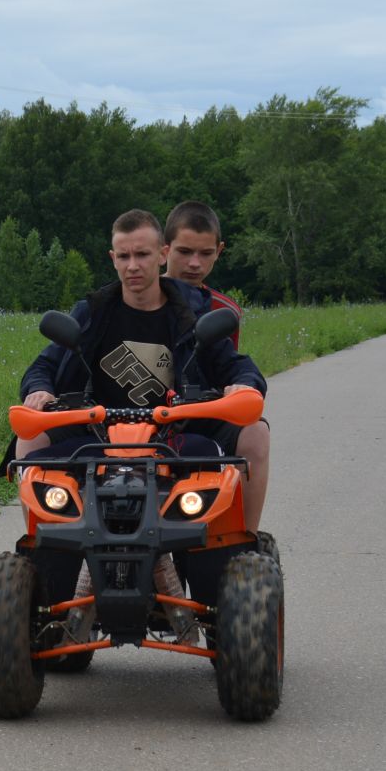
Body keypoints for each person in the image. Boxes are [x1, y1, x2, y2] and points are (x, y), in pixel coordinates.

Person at [10, 208, 266, 645]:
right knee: (28, 435)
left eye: (143, 255)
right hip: (97, 433)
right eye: (124, 256)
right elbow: (43, 367)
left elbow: (239, 366)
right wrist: (38, 392)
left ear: (161, 254)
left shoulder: (192, 311)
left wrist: (239, 386)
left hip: (175, 434)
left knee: (254, 431)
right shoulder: (92, 312)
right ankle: (46, 568)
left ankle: (243, 549)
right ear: (112, 258)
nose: (133, 266)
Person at [162, 200, 270, 532]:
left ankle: (244, 542)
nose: (195, 263)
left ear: (219, 251)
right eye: (184, 252)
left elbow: (223, 365)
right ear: (164, 249)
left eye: (206, 254)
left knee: (255, 430)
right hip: (131, 419)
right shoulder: (136, 298)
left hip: (194, 418)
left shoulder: (223, 310)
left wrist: (241, 387)